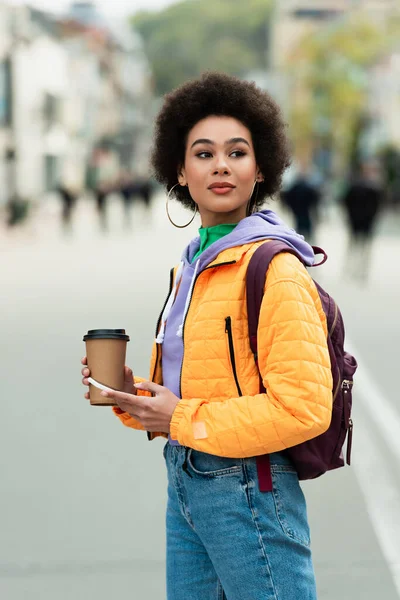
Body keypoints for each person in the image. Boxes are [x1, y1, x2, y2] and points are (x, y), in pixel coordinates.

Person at [80, 72, 332, 600]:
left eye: (237, 152)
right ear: (179, 169)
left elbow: (306, 408)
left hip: (248, 490)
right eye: (203, 153)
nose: (221, 164)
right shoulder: (196, 263)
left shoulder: (275, 266)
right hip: (186, 478)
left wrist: (177, 417)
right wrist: (134, 393)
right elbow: (205, 382)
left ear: (260, 168)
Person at [340, 160, 384, 282]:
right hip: (359, 222)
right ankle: (355, 270)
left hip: (362, 222)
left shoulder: (369, 187)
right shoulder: (370, 187)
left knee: (361, 247)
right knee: (357, 247)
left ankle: (359, 271)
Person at [281, 165, 321, 241]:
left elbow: (287, 197)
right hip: (306, 211)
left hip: (298, 210)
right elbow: (314, 198)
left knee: (299, 226)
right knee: (307, 227)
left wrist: (291, 207)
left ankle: (300, 240)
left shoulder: (295, 187)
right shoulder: (308, 187)